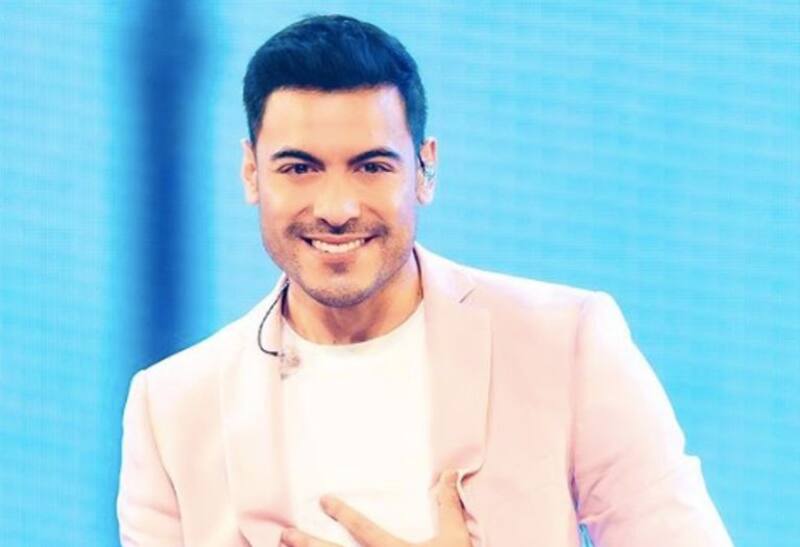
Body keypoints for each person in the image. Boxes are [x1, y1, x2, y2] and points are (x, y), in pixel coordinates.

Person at [117, 14, 733, 547]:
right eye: (300, 168)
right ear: (252, 173)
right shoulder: (171, 408)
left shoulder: (565, 345)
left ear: (425, 170)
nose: (336, 208)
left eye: (371, 167)